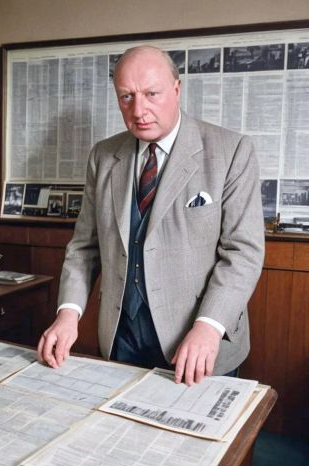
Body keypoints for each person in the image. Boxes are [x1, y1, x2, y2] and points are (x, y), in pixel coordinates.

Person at [36, 46, 264, 386]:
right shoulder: (103, 156)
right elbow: (84, 247)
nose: (138, 110)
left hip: (198, 339)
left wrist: (208, 326)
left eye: (151, 94)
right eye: (126, 97)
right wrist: (68, 314)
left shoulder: (231, 152)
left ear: (176, 88)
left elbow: (243, 253)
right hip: (121, 336)